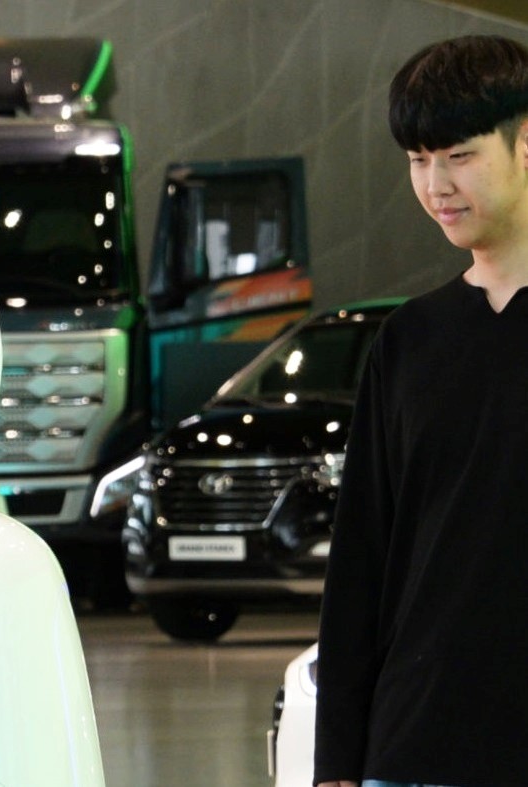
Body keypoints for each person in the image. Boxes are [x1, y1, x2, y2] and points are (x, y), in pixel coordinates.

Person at [313, 34, 528, 787]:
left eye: (458, 155)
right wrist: (337, 756)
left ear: (526, 142)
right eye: (416, 159)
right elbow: (361, 556)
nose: (434, 183)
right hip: (413, 745)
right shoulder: (407, 340)